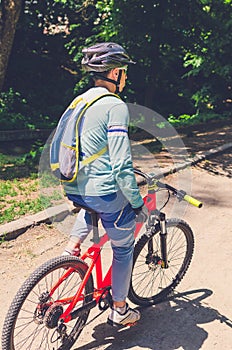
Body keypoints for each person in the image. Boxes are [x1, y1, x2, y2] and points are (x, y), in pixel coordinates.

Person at [62, 42, 148, 327]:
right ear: (114, 72)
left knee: (92, 206)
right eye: (123, 71)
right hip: (104, 193)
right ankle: (120, 309)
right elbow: (121, 166)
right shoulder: (114, 106)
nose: (125, 77)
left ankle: (70, 252)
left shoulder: (79, 101)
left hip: (73, 185)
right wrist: (137, 204)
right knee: (123, 248)